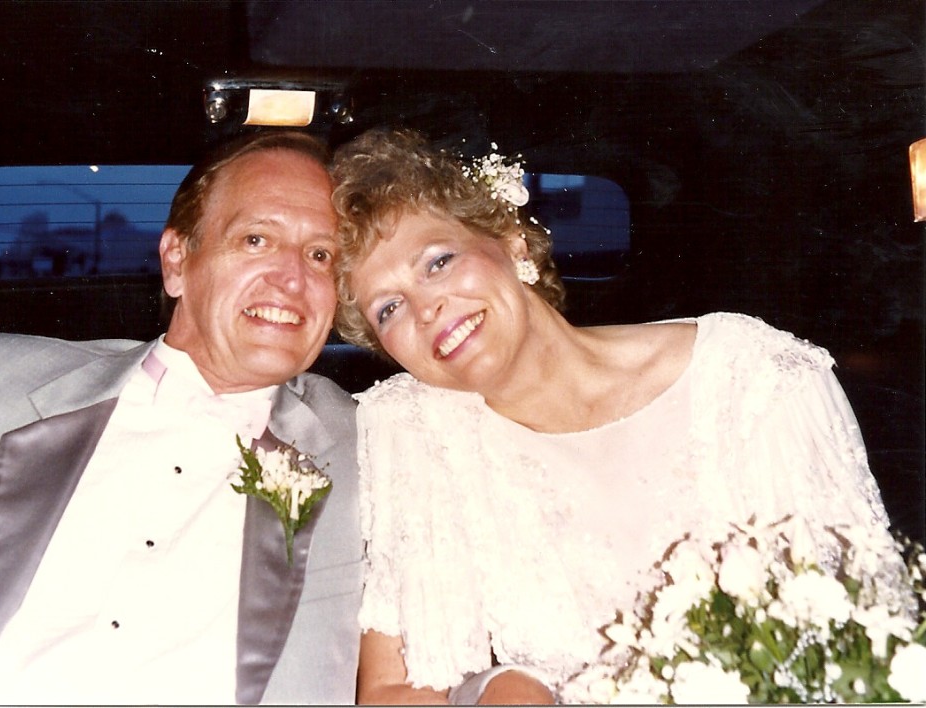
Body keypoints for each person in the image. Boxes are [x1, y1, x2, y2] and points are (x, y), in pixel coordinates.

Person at [329, 128, 892, 704]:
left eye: (438, 262)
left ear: (512, 242)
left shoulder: (752, 377)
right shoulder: (415, 431)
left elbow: (864, 646)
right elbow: (399, 690)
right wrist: (499, 687)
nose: (427, 309)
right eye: (389, 307)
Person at [0, 131, 363, 705]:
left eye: (321, 255)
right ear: (177, 261)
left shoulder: (364, 442)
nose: (293, 278)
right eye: (255, 239)